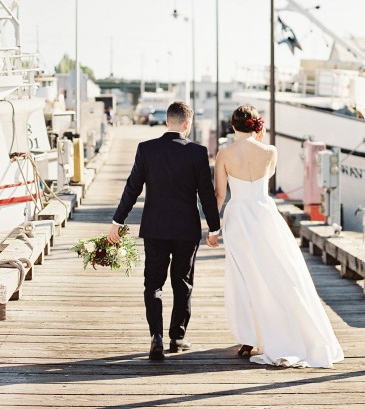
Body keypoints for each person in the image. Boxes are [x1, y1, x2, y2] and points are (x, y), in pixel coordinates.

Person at [212, 104, 344, 368]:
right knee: (279, 273)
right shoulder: (271, 151)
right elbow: (266, 178)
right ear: (256, 125)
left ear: (233, 126)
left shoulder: (224, 154)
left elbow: (219, 195)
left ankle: (249, 338)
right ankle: (288, 330)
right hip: (265, 216)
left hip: (238, 217)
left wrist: (213, 229)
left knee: (244, 278)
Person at [108, 101, 220, 361]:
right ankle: (177, 337)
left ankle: (155, 336)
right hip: (186, 230)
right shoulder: (197, 152)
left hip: (155, 228)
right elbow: (205, 194)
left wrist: (118, 220)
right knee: (182, 283)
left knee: (153, 284)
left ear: (167, 122)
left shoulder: (147, 149)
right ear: (187, 124)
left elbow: (132, 187)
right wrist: (214, 227)